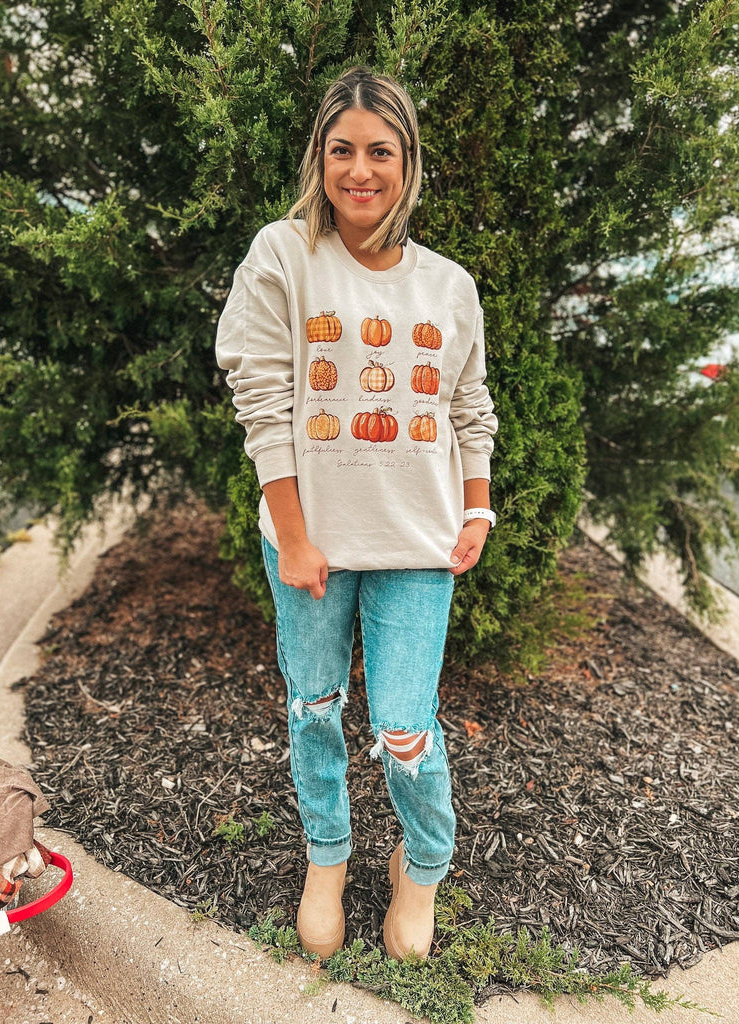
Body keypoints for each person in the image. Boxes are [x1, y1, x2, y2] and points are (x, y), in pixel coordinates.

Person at [214, 64, 498, 963]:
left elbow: (469, 406)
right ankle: (327, 860)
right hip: (311, 545)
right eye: (343, 150)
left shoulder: (448, 285)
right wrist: (296, 537)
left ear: (407, 162)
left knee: (405, 729)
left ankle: (423, 864)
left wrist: (479, 509)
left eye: (381, 151)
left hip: (417, 542)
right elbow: (263, 402)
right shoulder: (283, 256)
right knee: (313, 707)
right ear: (320, 157)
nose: (360, 170)